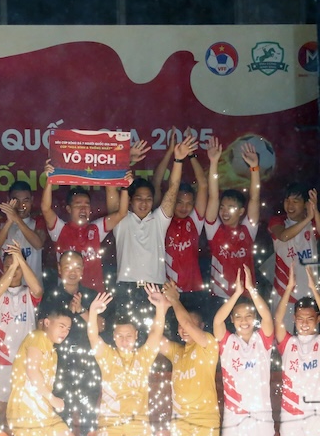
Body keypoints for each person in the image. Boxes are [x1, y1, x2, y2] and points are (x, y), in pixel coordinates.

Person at [7, 300, 109, 436]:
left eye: (68, 329)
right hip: (25, 414)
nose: (65, 332)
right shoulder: (38, 336)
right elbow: (32, 370)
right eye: (61, 326)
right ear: (47, 323)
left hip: (46, 415)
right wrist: (52, 399)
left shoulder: (53, 351)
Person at [109, 136, 196, 336]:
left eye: (148, 199)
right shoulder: (120, 219)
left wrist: (178, 160)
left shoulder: (159, 220)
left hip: (156, 288)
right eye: (139, 198)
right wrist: (126, 161)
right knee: (126, 341)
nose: (144, 203)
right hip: (126, 287)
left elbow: (173, 189)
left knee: (157, 340)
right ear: (130, 200)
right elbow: (111, 187)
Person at [88, 284, 170, 436]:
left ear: (136, 336)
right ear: (114, 337)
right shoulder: (107, 356)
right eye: (120, 336)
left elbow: (156, 333)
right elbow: (92, 335)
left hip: (138, 421)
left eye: (128, 336)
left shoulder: (143, 356)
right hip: (110, 420)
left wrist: (160, 309)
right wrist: (92, 312)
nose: (124, 340)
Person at [213, 266, 274, 436]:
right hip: (234, 416)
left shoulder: (262, 340)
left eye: (249, 316)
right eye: (238, 316)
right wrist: (237, 293)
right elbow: (217, 321)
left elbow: (267, 317)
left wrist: (251, 289)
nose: (244, 320)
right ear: (232, 319)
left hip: (261, 415)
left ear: (254, 318)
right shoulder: (227, 342)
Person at [47, 251, 104, 436]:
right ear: (59, 269)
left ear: (83, 270)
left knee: (89, 427)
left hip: (88, 369)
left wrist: (82, 311)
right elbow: (42, 329)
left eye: (77, 266)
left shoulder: (91, 295)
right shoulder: (50, 296)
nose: (72, 271)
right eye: (67, 266)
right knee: (64, 426)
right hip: (60, 370)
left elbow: (101, 326)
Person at [158, 281, 220, 436]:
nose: (184, 329)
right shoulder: (177, 351)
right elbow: (155, 340)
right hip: (180, 421)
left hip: (205, 419)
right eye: (181, 326)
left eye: (191, 325)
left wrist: (175, 300)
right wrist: (161, 309)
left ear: (201, 327)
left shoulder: (208, 344)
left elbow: (186, 323)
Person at [42, 166, 132, 294]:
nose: (83, 209)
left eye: (87, 205)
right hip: (67, 294)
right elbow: (46, 209)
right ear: (68, 209)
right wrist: (49, 180)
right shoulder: (60, 229)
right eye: (78, 205)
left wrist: (125, 187)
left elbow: (122, 213)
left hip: (95, 295)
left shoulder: (96, 229)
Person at [151, 130, 210, 313]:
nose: (184, 207)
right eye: (179, 202)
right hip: (168, 290)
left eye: (189, 203)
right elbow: (156, 182)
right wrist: (171, 152)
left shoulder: (195, 221)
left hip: (194, 290)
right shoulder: (162, 219)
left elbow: (203, 185)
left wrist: (190, 155)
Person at [273, 263, 320, 436]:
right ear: (294, 319)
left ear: (317, 319)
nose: (304, 323)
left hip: (316, 409)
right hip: (291, 411)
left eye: (309, 319)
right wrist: (288, 289)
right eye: (300, 318)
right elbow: (277, 320)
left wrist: (313, 288)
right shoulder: (288, 343)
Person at [0, 241, 42, 427]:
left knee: (22, 415)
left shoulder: (29, 293)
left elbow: (38, 290)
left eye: (18, 267)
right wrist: (13, 265)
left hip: (25, 363)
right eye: (8, 266)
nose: (14, 270)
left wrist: (21, 262)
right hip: (2, 363)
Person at [205, 138, 261, 311]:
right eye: (222, 207)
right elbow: (213, 196)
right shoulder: (214, 230)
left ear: (241, 211)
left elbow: (254, 198)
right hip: (219, 297)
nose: (224, 211)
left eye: (230, 207)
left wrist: (254, 168)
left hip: (245, 297)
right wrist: (213, 163)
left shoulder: (248, 229)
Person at [268, 183, 319, 333]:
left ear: (305, 204)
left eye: (295, 201)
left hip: (310, 293)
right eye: (287, 200)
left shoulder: (313, 223)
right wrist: (307, 218)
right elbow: (284, 236)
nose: (290, 205)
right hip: (284, 294)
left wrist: (314, 210)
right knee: (283, 340)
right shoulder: (277, 221)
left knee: (310, 340)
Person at [0, 181, 47, 285]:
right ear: (9, 200)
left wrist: (16, 219)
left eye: (26, 200)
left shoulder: (38, 222)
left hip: (32, 288)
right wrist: (9, 222)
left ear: (32, 200)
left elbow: (38, 244)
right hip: (5, 288)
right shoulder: (1, 223)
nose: (21, 205)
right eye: (16, 201)